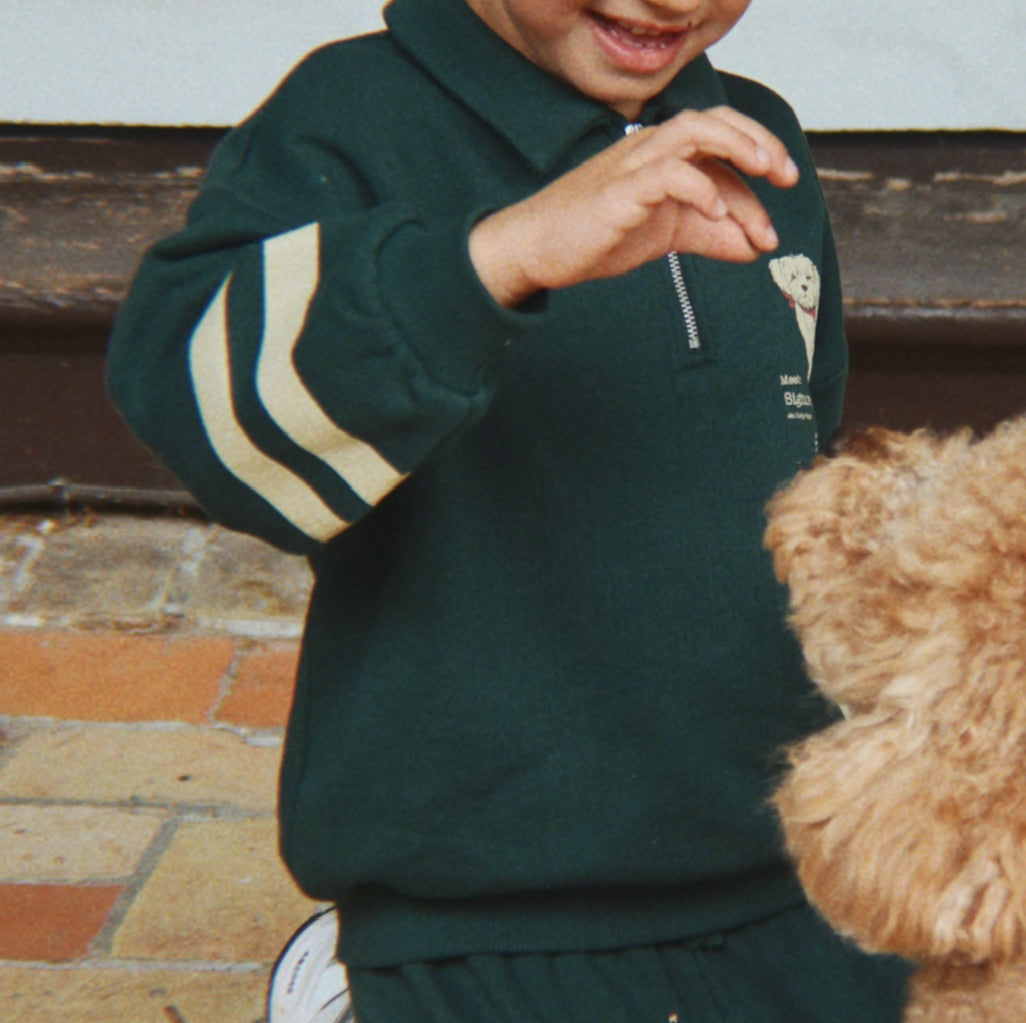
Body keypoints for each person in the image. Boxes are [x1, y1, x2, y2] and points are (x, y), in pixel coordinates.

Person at [106, 0, 912, 1020]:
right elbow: (195, 402)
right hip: (483, 901)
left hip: (788, 874)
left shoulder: (755, 137)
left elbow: (810, 462)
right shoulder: (351, 117)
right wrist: (500, 258)